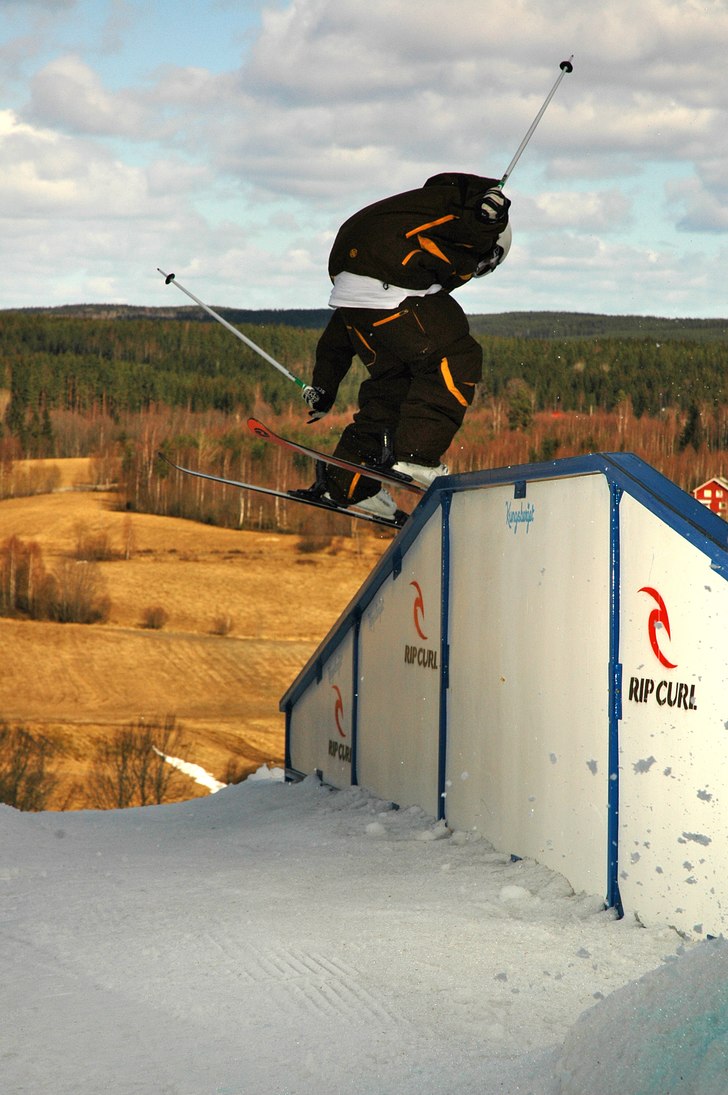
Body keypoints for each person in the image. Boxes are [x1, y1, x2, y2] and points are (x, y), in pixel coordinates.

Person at [301, 171, 512, 519]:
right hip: (390, 285)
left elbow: (336, 341)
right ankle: (418, 456)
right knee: (458, 357)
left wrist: (324, 387)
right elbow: (472, 230)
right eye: (489, 264)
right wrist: (491, 219)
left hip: (352, 292)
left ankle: (347, 486)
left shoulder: (411, 213)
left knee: (393, 387)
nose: (479, 270)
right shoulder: (462, 215)